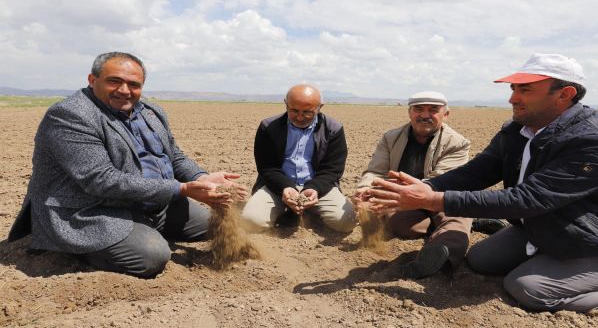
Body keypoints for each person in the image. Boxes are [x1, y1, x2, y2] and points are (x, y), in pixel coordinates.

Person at [366, 53, 598, 312]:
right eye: (513, 89)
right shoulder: (518, 131)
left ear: (564, 94)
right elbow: (478, 171)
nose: (513, 98)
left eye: (525, 90)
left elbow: (528, 200)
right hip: (549, 225)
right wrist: (430, 187)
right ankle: (547, 255)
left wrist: (434, 200)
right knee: (480, 260)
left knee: (527, 288)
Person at [7, 52, 247, 278]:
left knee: (213, 226)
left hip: (151, 204)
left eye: (134, 85)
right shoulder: (71, 115)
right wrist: (181, 189)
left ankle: (141, 229)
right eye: (114, 81)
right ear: (93, 80)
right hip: (90, 210)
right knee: (152, 256)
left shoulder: (150, 112)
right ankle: (73, 246)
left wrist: (201, 177)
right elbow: (100, 179)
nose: (125, 90)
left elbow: (174, 156)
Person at [353, 91, 474, 278]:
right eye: (419, 109)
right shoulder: (391, 138)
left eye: (433, 110)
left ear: (446, 114)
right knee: (398, 224)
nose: (424, 115)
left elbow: (442, 180)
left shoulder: (457, 143)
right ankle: (473, 220)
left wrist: (404, 192)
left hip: (439, 196)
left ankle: (441, 257)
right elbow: (376, 171)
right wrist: (364, 189)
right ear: (409, 112)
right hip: (406, 200)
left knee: (455, 218)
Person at [241, 84, 357, 233]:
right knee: (251, 222)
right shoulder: (268, 127)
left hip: (319, 188)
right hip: (278, 187)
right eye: (294, 111)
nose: (300, 117)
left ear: (320, 107)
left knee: (346, 222)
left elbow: (332, 169)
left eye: (307, 112)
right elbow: (267, 167)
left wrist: (314, 188)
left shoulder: (333, 129)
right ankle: (289, 210)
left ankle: (306, 210)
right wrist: (286, 188)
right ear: (286, 104)